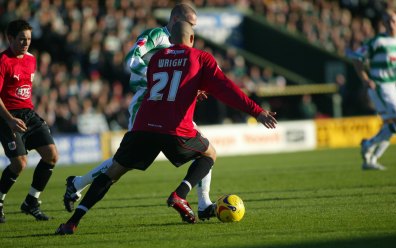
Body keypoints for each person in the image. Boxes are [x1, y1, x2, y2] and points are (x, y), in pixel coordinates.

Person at [55, 20, 277, 235]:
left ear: (170, 39)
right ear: (192, 38)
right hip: (175, 128)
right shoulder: (201, 57)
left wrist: (191, 89)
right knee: (209, 154)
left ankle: (72, 222)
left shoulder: (157, 57)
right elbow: (226, 89)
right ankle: (181, 194)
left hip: (143, 127)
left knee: (112, 174)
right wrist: (256, 111)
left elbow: (161, 86)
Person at [63, 3, 216, 221]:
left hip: (168, 103)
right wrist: (156, 80)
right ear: (175, 20)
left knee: (202, 146)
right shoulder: (155, 36)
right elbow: (131, 60)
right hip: (146, 100)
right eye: (190, 24)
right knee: (123, 161)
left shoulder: (183, 46)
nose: (193, 29)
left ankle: (203, 203)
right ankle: (77, 183)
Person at [0, 19, 58, 223]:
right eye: (22, 39)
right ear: (10, 39)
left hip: (28, 114)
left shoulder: (32, 59)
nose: (26, 43)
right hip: (7, 116)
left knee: (51, 155)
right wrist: (9, 120)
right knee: (19, 163)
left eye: (29, 39)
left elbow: (24, 90)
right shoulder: (3, 61)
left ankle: (31, 202)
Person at [352, 8, 396, 170]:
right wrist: (365, 79)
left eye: (393, 20)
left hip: (392, 86)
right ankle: (369, 146)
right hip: (380, 85)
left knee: (391, 126)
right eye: (387, 21)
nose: (390, 24)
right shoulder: (378, 41)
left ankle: (370, 156)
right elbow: (357, 58)